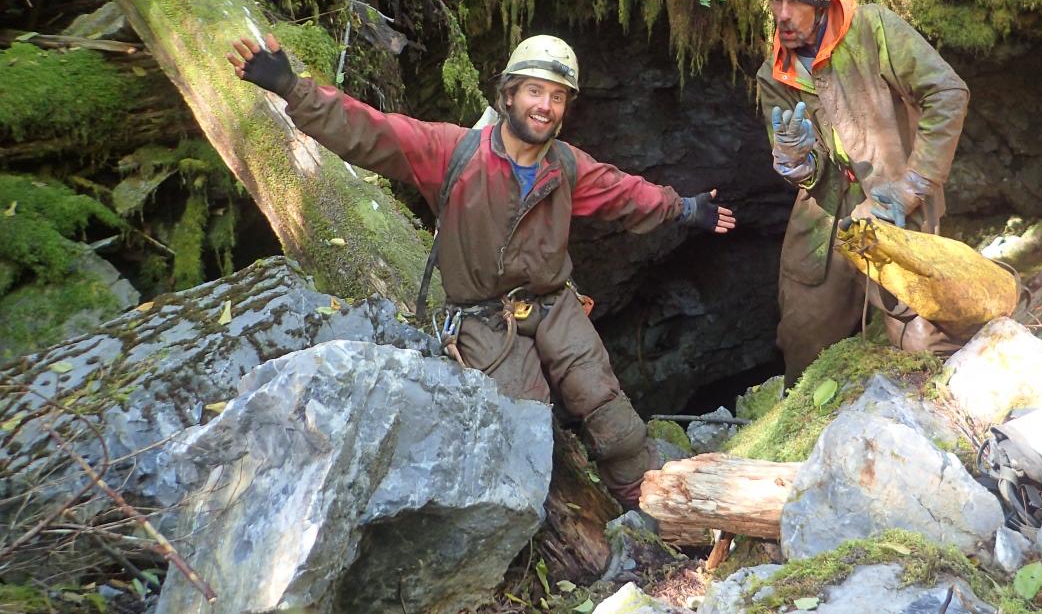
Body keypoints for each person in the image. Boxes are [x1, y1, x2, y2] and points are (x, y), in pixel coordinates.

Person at [227, 32, 735, 506]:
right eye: (535, 91)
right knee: (524, 427)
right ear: (509, 94)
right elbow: (369, 131)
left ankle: (653, 502)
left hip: (555, 304)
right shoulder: (454, 152)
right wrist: (291, 88)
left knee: (606, 406)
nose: (545, 105)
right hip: (483, 318)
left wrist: (685, 208)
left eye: (558, 97)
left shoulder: (566, 165)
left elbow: (625, 192)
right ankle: (550, 525)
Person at [756, 0, 970, 384]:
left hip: (895, 200)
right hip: (825, 214)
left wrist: (914, 185)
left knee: (918, 338)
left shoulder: (872, 29)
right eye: (775, 2)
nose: (783, 15)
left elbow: (947, 93)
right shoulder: (773, 73)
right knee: (802, 339)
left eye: (794, 3)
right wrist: (797, 162)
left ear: (821, 0)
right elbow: (808, 169)